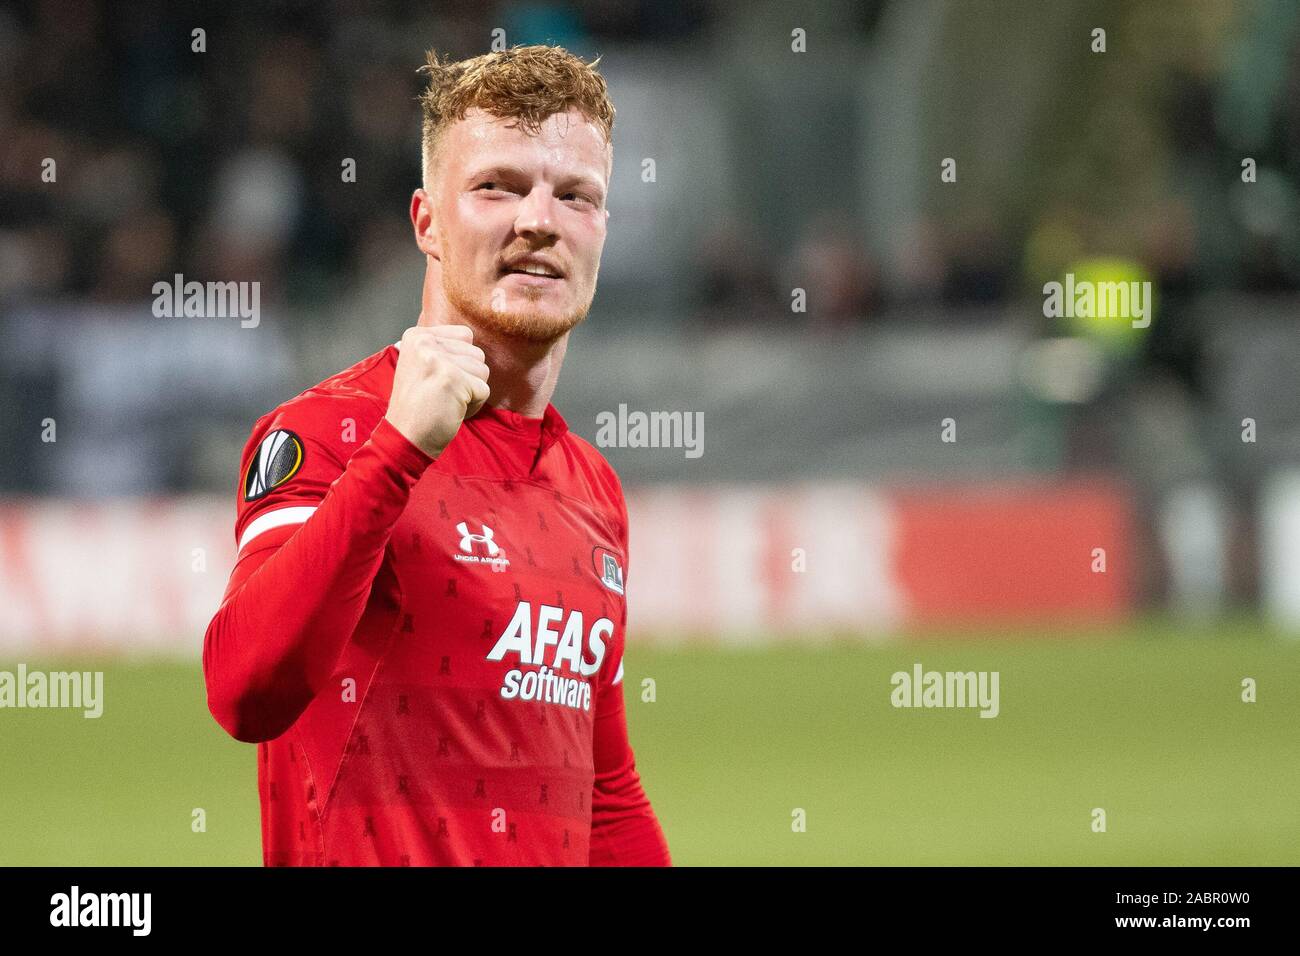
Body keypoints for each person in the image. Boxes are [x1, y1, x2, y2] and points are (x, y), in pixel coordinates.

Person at [202, 44, 670, 866]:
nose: (539, 220)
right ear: (426, 222)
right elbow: (246, 691)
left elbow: (605, 795)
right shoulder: (331, 433)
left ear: (601, 229)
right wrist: (398, 455)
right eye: (498, 187)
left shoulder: (593, 489)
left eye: (575, 196)